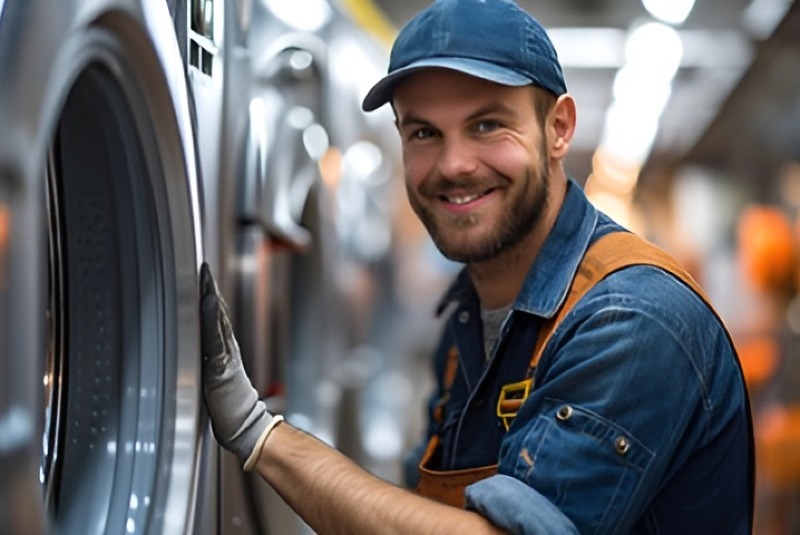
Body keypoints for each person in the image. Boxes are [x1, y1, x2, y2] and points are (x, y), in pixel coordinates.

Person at [200, 0, 754, 532]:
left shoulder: (633, 322)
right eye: (424, 133)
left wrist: (262, 436)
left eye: (487, 125)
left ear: (558, 128)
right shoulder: (470, 313)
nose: (454, 165)